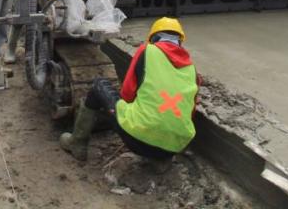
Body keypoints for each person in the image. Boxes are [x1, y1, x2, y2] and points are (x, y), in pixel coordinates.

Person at [60, 17, 201, 169]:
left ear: (153, 38)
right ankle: (160, 160)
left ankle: (77, 143)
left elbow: (127, 94)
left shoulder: (147, 51)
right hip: (174, 148)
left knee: (99, 86)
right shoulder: (191, 70)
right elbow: (189, 113)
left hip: (138, 140)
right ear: (179, 41)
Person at [5, 0, 59, 64]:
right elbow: (45, 6)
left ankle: (36, 46)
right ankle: (10, 50)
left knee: (45, 17)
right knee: (20, 17)